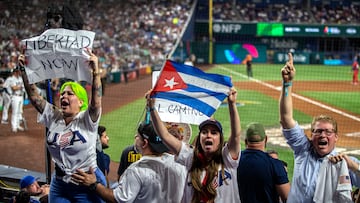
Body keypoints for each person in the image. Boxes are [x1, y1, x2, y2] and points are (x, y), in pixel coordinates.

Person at [18, 50, 106, 203]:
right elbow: (34, 97)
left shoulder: (87, 119)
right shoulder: (54, 116)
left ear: (80, 102)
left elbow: (96, 102)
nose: (64, 96)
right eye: (63, 93)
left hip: (86, 181)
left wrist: (95, 72)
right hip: (59, 184)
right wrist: (24, 70)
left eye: (70, 94)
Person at [145, 86, 241, 202]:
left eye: (214, 133)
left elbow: (236, 135)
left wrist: (232, 104)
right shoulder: (191, 158)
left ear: (220, 139)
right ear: (199, 137)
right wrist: (152, 108)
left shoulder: (227, 159)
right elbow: (165, 135)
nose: (208, 135)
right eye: (204, 132)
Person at [279, 53, 353, 202]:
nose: (322, 135)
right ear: (311, 135)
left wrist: (352, 166)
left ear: (336, 137)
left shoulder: (342, 162)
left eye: (328, 132)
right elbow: (286, 118)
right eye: (318, 131)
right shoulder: (303, 149)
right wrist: (287, 83)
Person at [71, 120, 186, 203]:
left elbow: (118, 199)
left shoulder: (137, 170)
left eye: (138, 136)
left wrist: (94, 184)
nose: (136, 137)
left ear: (145, 143)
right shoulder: (180, 165)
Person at [237, 122, 290, 203]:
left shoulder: (234, 161)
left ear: (246, 141)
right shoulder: (275, 165)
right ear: (266, 139)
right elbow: (288, 198)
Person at [3, 66, 25, 132]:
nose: (20, 72)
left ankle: (18, 125)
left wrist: (20, 87)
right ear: (15, 72)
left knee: (19, 112)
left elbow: (22, 87)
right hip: (15, 96)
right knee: (15, 112)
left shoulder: (20, 79)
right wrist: (20, 87)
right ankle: (14, 126)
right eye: (18, 71)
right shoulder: (12, 79)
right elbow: (14, 88)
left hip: (21, 96)